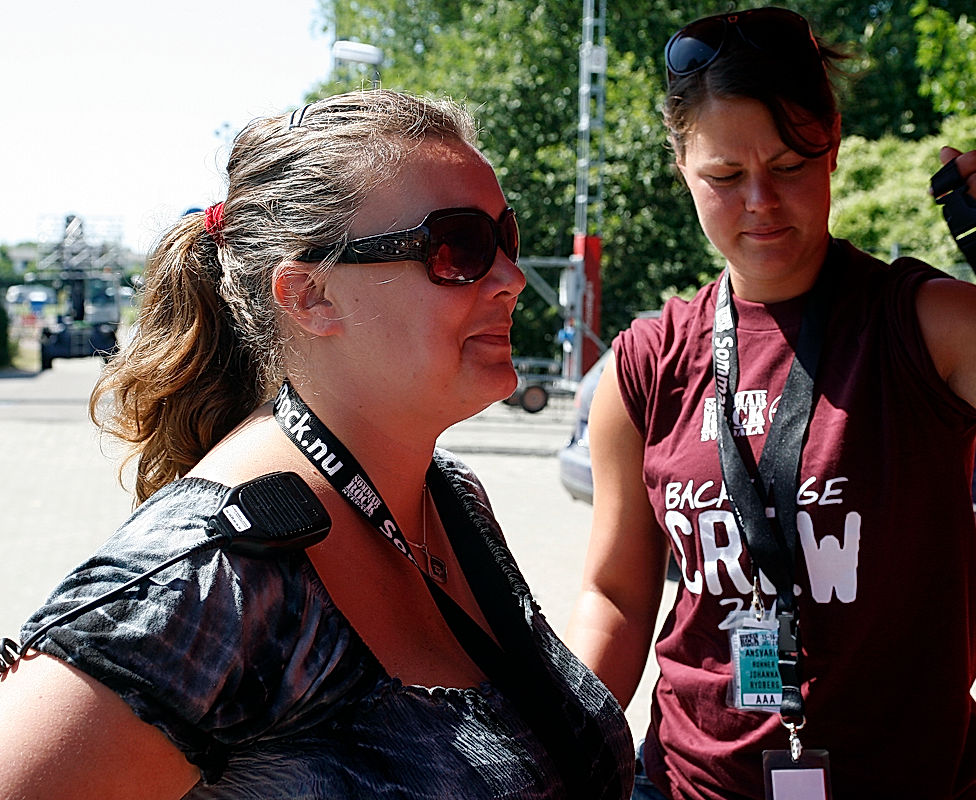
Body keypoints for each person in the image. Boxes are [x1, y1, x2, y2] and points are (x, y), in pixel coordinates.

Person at [564, 7, 976, 800]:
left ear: (832, 141)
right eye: (724, 175)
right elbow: (617, 597)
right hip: (684, 784)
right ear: (681, 164)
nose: (761, 200)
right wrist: (562, 752)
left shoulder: (927, 325)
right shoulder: (646, 363)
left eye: (791, 163)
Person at [0, 89, 634, 799]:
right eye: (460, 248)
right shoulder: (211, 572)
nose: (512, 279)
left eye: (505, 238)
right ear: (309, 296)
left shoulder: (449, 496)